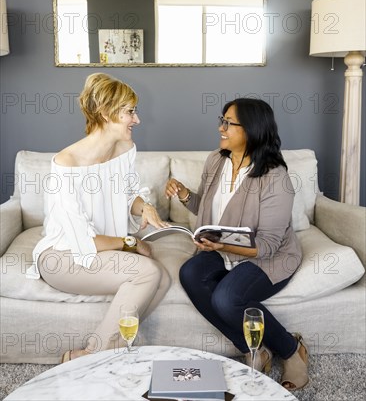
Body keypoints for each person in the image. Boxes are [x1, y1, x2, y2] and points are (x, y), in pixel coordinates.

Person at [165, 98, 308, 391]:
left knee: (226, 298)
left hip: (266, 256)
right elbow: (206, 209)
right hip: (223, 250)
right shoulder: (216, 161)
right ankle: (254, 348)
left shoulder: (275, 177)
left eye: (229, 123)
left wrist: (221, 247)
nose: (221, 127)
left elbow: (268, 244)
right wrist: (183, 195)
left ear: (252, 129)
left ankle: (291, 350)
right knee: (190, 273)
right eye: (222, 120)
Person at [26, 73, 171, 362]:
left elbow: (129, 195)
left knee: (163, 279)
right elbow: (83, 240)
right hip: (65, 257)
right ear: (106, 113)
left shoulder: (125, 150)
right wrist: (131, 243)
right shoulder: (66, 163)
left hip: (100, 252)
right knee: (149, 272)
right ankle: (89, 355)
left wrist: (145, 207)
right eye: (130, 111)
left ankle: (108, 351)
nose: (137, 120)